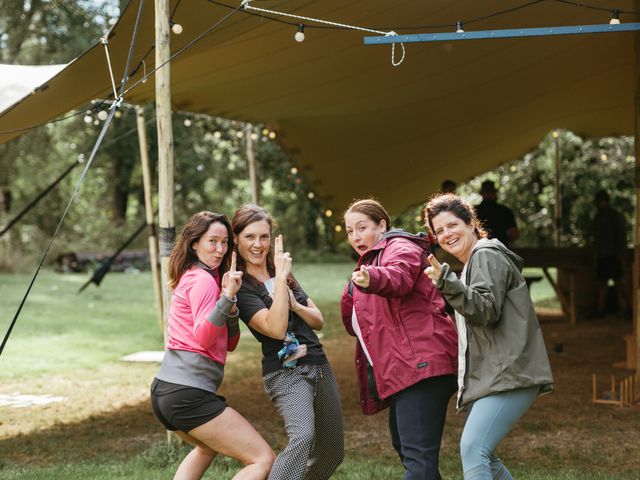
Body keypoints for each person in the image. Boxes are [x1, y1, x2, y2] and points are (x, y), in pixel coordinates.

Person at [424, 194, 553, 480]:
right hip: (500, 373)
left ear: (471, 223)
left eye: (452, 225)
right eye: (440, 230)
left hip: (511, 371)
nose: (446, 234)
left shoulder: (485, 255)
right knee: (485, 455)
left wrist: (447, 283)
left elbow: (486, 310)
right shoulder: (474, 261)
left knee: (473, 448)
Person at [150, 211, 275, 480]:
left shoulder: (197, 277)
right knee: (262, 459)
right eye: (212, 242)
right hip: (188, 393)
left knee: (206, 449)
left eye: (225, 243)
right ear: (195, 243)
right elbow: (204, 338)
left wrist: (228, 305)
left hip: (167, 391)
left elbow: (230, 343)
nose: (219, 250)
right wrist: (227, 296)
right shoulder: (203, 280)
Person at [341, 198, 458, 480]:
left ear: (382, 225)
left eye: (362, 227)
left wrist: (374, 277)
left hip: (422, 365)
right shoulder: (371, 262)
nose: (356, 237)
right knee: (410, 452)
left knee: (417, 460)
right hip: (406, 369)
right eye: (349, 231)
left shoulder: (398, 247)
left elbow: (399, 277)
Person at [231, 204, 344, 480]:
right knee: (303, 436)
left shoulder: (278, 269)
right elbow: (275, 327)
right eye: (250, 237)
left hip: (318, 363)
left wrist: (296, 303)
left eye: (264, 237)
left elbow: (317, 319)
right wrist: (281, 280)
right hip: (285, 372)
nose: (258, 244)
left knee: (332, 451)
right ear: (236, 239)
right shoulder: (241, 286)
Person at [592, 189, 631, 318]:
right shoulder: (598, 217)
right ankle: (600, 310)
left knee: (619, 283)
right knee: (602, 283)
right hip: (603, 255)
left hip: (613, 255)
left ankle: (629, 307)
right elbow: (596, 238)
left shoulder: (614, 216)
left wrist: (620, 253)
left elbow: (620, 236)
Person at [474, 180, 519, 247]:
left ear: (481, 193)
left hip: (480, 249)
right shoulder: (505, 211)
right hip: (501, 249)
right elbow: (514, 234)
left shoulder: (474, 211)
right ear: (495, 193)